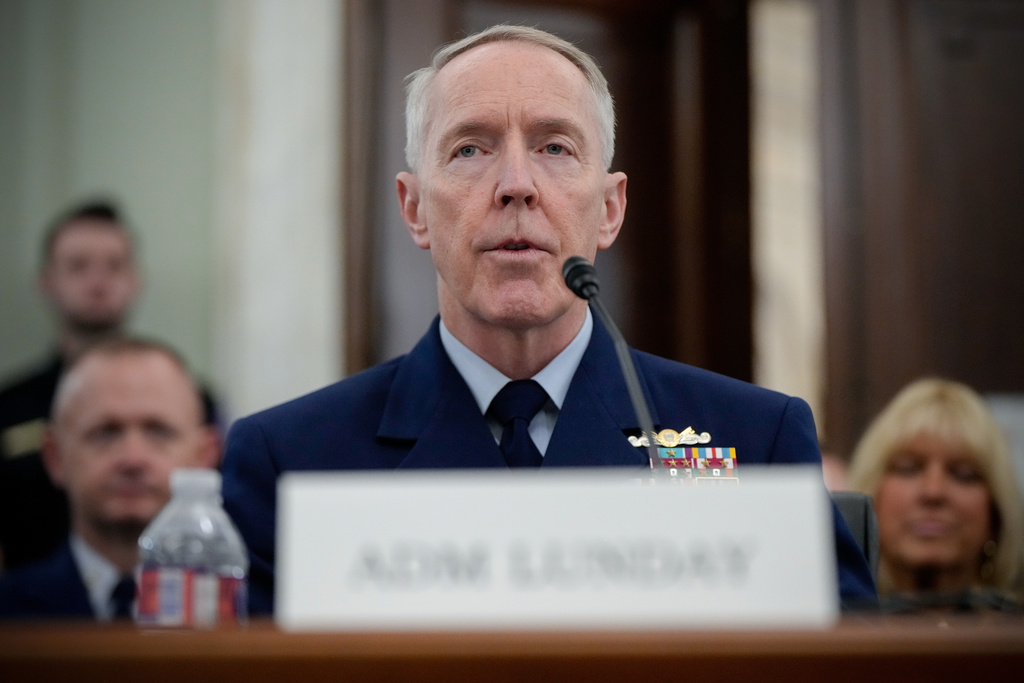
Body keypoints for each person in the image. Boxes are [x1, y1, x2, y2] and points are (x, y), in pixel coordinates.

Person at [221, 24, 876, 614]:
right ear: (415, 207)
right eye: (470, 149)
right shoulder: (290, 462)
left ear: (610, 208)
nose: (516, 183)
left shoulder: (754, 439)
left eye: (555, 147)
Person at [0, 200, 217, 570]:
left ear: (135, 279)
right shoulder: (11, 407)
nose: (98, 282)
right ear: (47, 281)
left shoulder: (192, 397)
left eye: (114, 266)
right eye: (79, 266)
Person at [0, 338, 219, 620]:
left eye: (158, 432)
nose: (132, 459)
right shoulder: (7, 618)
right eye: (106, 432)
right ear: (55, 457)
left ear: (205, 456)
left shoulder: (253, 618)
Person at [848, 378, 1024, 611]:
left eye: (963, 474)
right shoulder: (821, 637)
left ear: (997, 514)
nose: (934, 492)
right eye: (908, 468)